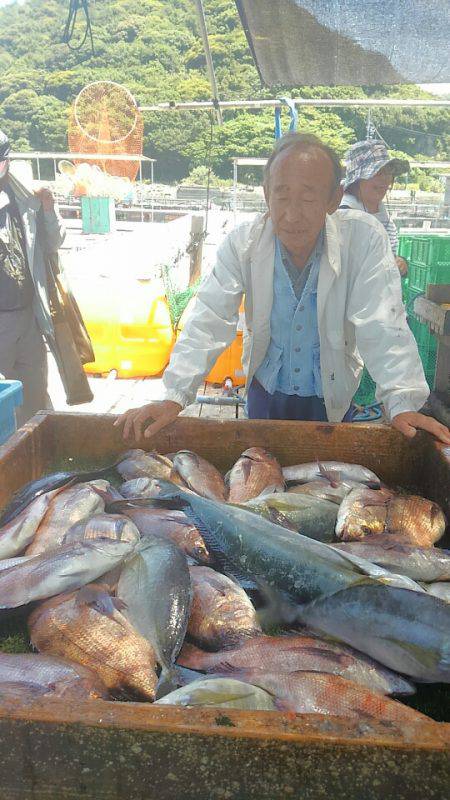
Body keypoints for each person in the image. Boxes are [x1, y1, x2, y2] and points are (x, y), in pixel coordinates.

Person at [116, 132, 450, 446]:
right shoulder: (242, 245)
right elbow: (209, 319)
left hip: (332, 391)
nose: (292, 215)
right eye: (282, 195)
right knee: (261, 474)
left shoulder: (362, 239)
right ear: (266, 194)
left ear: (334, 198)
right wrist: (174, 394)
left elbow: (383, 322)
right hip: (266, 390)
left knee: (328, 479)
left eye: (308, 198)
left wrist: (402, 399)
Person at [0, 129, 92, 424]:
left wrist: (49, 210)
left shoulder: (22, 196)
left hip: (29, 316)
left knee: (36, 394)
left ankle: (34, 452)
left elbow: (54, 243)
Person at [340, 140, 409, 276]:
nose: (384, 179)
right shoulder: (345, 216)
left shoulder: (383, 214)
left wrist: (401, 263)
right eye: (377, 172)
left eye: (388, 172)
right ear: (357, 180)